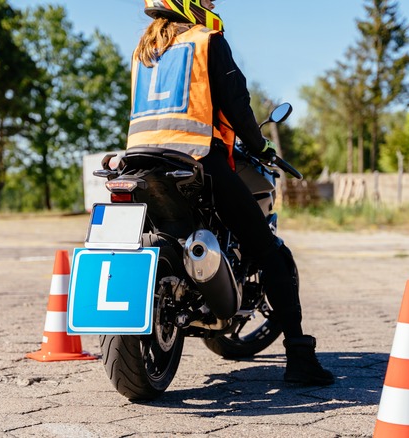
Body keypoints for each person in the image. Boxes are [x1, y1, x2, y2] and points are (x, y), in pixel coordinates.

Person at [127, 0, 334, 387]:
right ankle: (301, 358)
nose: (212, 4)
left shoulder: (144, 50)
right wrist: (260, 147)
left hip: (138, 160)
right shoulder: (206, 41)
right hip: (196, 158)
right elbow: (238, 107)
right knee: (266, 249)